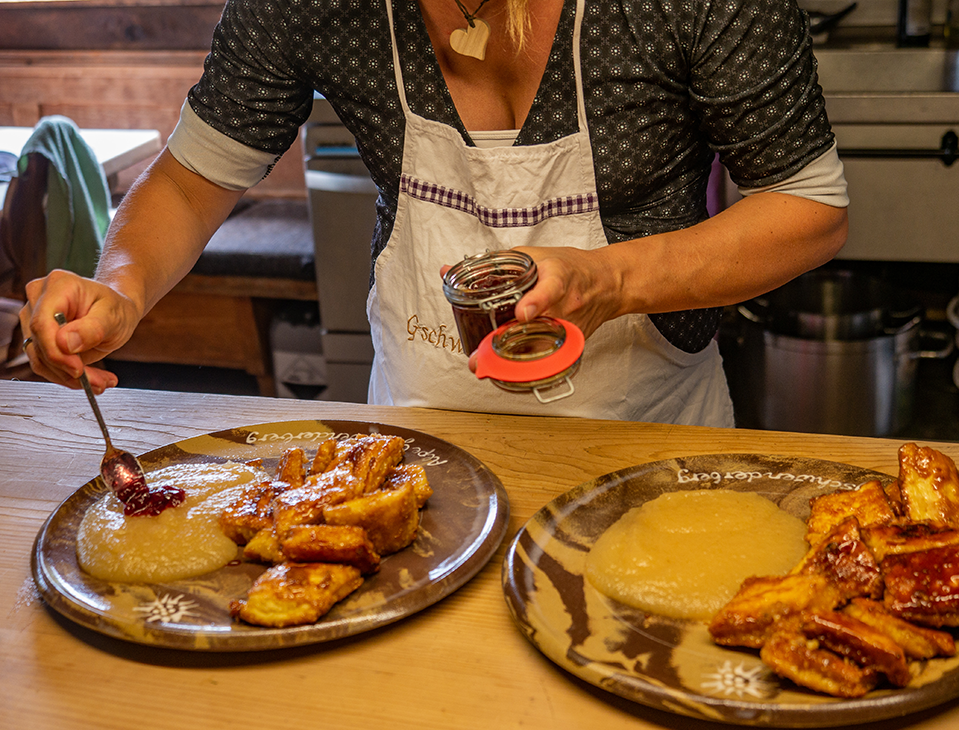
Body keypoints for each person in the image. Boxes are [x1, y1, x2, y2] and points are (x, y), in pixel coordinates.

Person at [19, 0, 848, 427]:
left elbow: (808, 207)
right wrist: (119, 284)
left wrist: (611, 280)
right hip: (423, 434)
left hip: (644, 423)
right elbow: (193, 178)